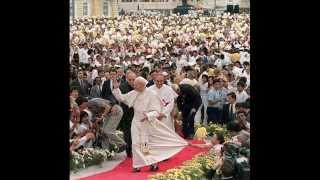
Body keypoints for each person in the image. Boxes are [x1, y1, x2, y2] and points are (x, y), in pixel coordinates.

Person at [112, 77, 188, 172]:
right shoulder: (134, 92)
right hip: (136, 121)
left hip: (147, 122)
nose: (134, 86)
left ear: (142, 85)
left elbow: (157, 110)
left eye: (136, 85)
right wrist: (116, 88)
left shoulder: (152, 94)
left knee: (146, 144)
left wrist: (148, 115)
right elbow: (122, 98)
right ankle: (137, 165)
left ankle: (153, 164)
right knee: (135, 144)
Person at [118, 71, 137, 157]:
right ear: (126, 79)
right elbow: (120, 99)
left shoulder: (139, 85)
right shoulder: (122, 87)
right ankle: (129, 150)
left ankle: (138, 150)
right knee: (128, 134)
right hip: (126, 114)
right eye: (130, 80)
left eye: (134, 79)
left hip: (137, 113)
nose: (132, 81)